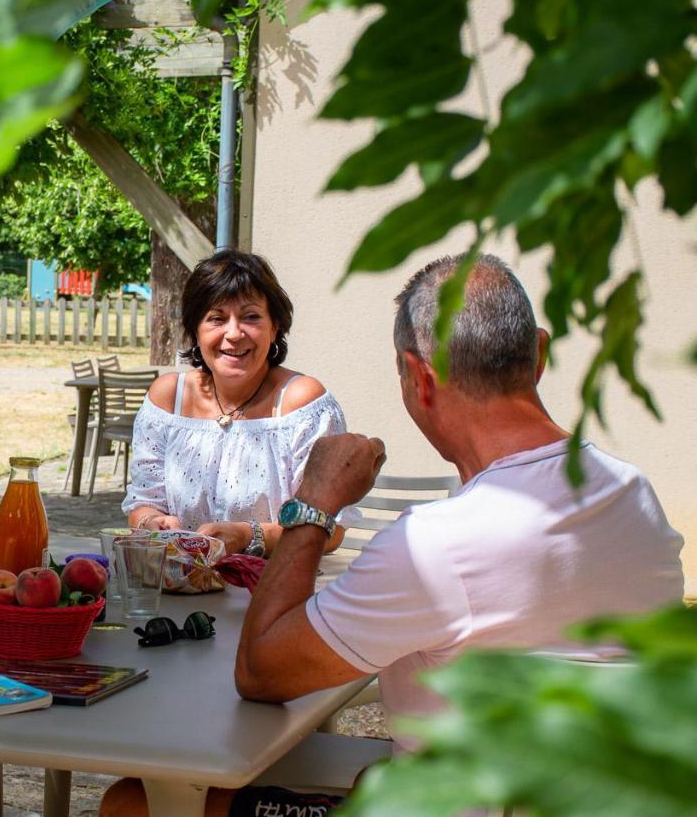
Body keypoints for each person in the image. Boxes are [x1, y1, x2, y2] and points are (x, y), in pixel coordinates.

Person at [102, 253, 685, 816]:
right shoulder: (634, 494)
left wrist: (316, 503)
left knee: (131, 802)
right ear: (538, 354)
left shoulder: (435, 547)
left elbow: (261, 673)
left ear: (417, 378)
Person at [122, 251, 357, 557]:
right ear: (195, 330)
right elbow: (143, 503)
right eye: (217, 318)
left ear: (274, 328)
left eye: (251, 317)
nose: (234, 334)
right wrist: (152, 522)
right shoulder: (167, 399)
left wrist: (249, 536)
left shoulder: (302, 405)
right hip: (183, 585)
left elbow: (329, 529)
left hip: (274, 589)